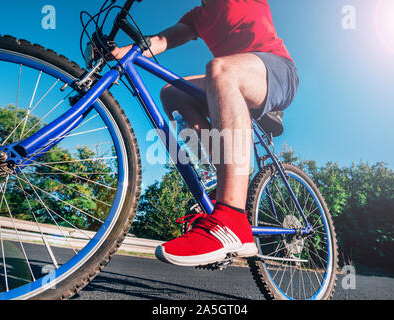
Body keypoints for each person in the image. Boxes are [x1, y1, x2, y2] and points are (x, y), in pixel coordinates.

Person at [111, 0, 299, 267]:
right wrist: (120, 52)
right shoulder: (198, 17)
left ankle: (232, 216)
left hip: (276, 71)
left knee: (221, 69)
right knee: (172, 92)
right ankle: (216, 174)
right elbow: (161, 40)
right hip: (231, 77)